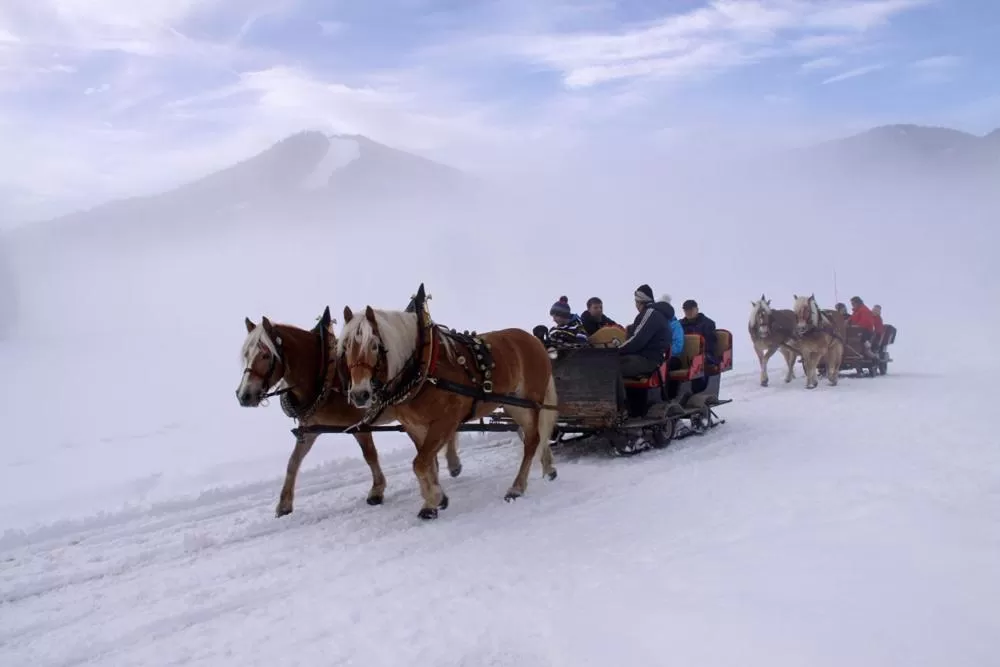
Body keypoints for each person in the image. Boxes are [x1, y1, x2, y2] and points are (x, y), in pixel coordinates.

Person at [615, 283, 671, 454]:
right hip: (642, 356)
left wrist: (617, 351)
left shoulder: (651, 314)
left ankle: (620, 409)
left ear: (640, 301)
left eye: (636, 300)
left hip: (648, 360)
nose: (635, 304)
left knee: (611, 370)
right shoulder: (649, 314)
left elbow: (638, 340)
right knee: (611, 366)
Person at [656, 294, 685, 371]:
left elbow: (678, 346)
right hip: (655, 355)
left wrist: (664, 353)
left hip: (671, 357)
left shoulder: (675, 325)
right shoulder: (654, 323)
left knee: (663, 365)